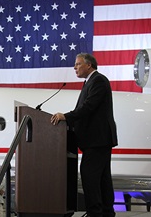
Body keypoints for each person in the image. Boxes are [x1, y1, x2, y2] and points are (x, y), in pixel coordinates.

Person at [51, 53, 118, 217]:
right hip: (97, 140)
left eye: (78, 64)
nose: (75, 67)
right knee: (102, 178)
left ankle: (95, 213)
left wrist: (66, 117)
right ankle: (106, 212)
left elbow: (88, 107)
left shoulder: (99, 80)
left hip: (98, 140)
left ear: (89, 65)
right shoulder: (90, 82)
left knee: (90, 176)